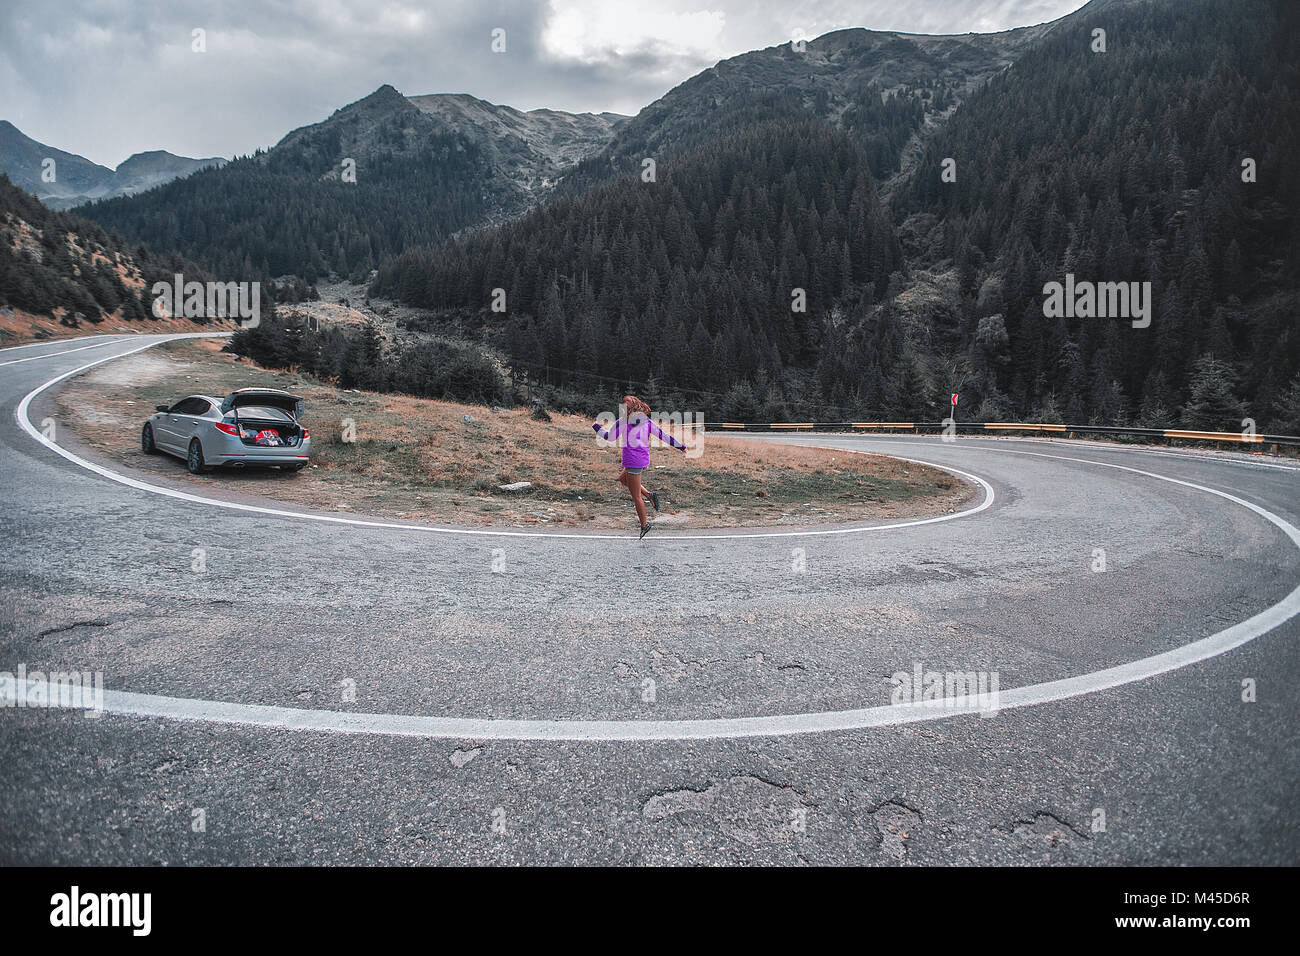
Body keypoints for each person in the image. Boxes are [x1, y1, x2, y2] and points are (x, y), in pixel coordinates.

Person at [592, 395, 687, 537]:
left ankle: (644, 524)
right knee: (623, 480)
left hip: (632, 461)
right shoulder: (646, 421)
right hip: (643, 460)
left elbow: (609, 437)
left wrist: (595, 426)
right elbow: (663, 435)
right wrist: (681, 446)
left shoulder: (623, 422)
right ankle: (650, 495)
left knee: (636, 496)